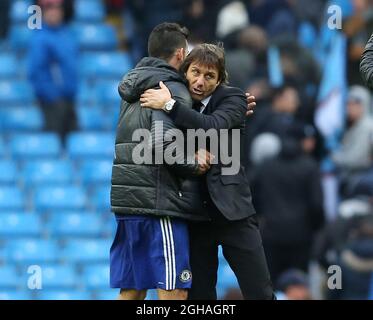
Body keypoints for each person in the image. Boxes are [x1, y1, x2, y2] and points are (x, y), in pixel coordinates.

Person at [140, 43, 274, 300]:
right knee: (200, 296)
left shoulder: (233, 98)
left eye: (209, 76)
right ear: (185, 71)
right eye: (195, 72)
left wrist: (169, 106)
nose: (200, 81)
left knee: (260, 292)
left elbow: (211, 126)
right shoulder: (178, 96)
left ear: (220, 79)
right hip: (195, 215)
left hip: (234, 213)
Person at [110, 22, 211, 301]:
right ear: (180, 54)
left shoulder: (132, 86)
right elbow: (162, 145)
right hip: (159, 203)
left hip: (129, 201)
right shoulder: (172, 88)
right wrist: (195, 164)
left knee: (132, 289)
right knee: (174, 288)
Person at [27, 0, 78, 144]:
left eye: (58, 8)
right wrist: (52, 95)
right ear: (43, 12)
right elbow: (36, 72)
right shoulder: (40, 38)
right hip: (53, 102)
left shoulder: (66, 34)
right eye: (50, 8)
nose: (55, 11)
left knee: (74, 142)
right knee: (55, 142)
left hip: (69, 99)